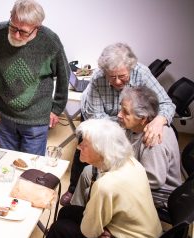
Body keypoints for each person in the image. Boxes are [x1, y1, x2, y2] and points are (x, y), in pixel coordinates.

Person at [60, 42, 176, 206]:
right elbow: (98, 119)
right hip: (112, 123)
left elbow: (167, 104)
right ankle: (74, 188)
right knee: (86, 142)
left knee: (111, 166)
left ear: (131, 68)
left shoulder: (141, 73)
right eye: (112, 77)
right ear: (105, 72)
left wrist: (159, 119)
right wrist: (126, 123)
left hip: (132, 124)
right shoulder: (98, 78)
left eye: (122, 76)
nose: (118, 82)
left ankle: (95, 191)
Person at [43, 119, 162, 238]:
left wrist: (98, 231)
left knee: (58, 230)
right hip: (148, 235)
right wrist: (99, 228)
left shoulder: (105, 185)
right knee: (66, 211)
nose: (78, 146)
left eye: (85, 144)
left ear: (101, 151)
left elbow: (88, 232)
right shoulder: (131, 162)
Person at [0, 0, 69, 156]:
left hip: (36, 121)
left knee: (30, 169)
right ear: (10, 16)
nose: (16, 35)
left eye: (23, 31)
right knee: (6, 164)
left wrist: (56, 109)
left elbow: (64, 75)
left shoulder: (50, 41)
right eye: (13, 27)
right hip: (4, 117)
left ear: (37, 28)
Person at [71, 86, 182, 209]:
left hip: (157, 194)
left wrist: (112, 177)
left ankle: (87, 216)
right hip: (133, 175)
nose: (119, 115)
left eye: (125, 112)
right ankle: (76, 210)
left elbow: (154, 180)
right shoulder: (133, 127)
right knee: (88, 171)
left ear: (143, 118)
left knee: (96, 189)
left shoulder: (154, 138)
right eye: (121, 109)